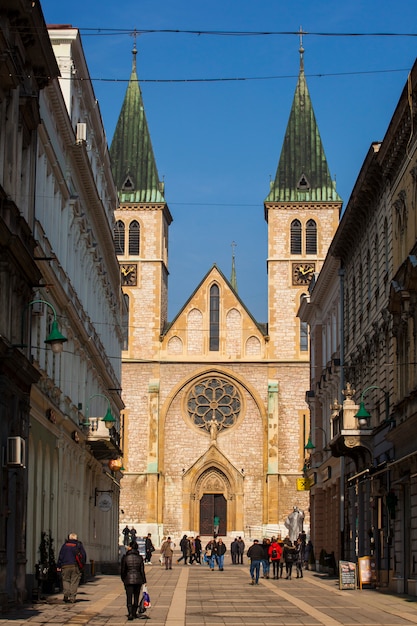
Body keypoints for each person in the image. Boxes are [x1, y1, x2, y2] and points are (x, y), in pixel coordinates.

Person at [57, 532, 87, 604]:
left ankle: (66, 594)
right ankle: (72, 598)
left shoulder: (64, 546)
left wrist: (58, 566)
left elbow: (60, 556)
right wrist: (83, 565)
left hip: (65, 566)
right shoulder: (78, 545)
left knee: (65, 580)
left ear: (69, 538)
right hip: (75, 566)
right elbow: (84, 555)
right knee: (74, 582)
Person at [120, 541, 146, 620]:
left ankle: (130, 613)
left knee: (129, 596)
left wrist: (124, 579)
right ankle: (134, 612)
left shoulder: (125, 557)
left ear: (130, 547)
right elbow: (142, 570)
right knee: (136, 596)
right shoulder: (140, 557)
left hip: (128, 580)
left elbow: (123, 570)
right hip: (138, 580)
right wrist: (144, 581)